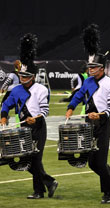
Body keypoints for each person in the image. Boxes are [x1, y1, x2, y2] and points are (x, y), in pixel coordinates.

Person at [66, 23, 110, 204]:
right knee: (92, 162)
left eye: (93, 67)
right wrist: (71, 106)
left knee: (100, 161)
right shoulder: (88, 81)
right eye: (89, 67)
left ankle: (109, 191)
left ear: (102, 68)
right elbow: (78, 95)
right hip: (88, 124)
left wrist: (100, 115)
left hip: (102, 124)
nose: (89, 69)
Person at [0, 33, 58, 199]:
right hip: (24, 128)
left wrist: (37, 117)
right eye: (21, 76)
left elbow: (45, 110)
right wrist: (3, 116)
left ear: (33, 76)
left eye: (26, 76)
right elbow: (6, 104)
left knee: (35, 159)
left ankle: (39, 191)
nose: (23, 79)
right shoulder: (16, 90)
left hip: (38, 127)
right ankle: (49, 182)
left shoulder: (41, 90)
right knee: (25, 159)